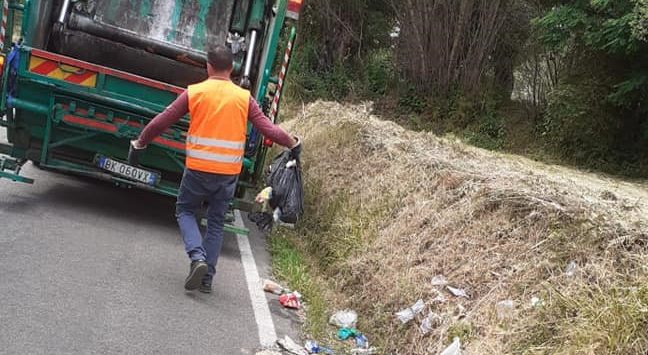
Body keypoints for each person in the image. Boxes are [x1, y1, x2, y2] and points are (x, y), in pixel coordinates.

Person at [128, 45, 301, 293]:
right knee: (216, 223)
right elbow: (267, 128)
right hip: (228, 174)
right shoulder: (243, 98)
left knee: (185, 210)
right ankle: (207, 278)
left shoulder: (195, 92)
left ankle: (197, 257)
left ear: (208, 66)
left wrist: (140, 141)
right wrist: (293, 142)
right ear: (232, 69)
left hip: (198, 170)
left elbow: (162, 121)